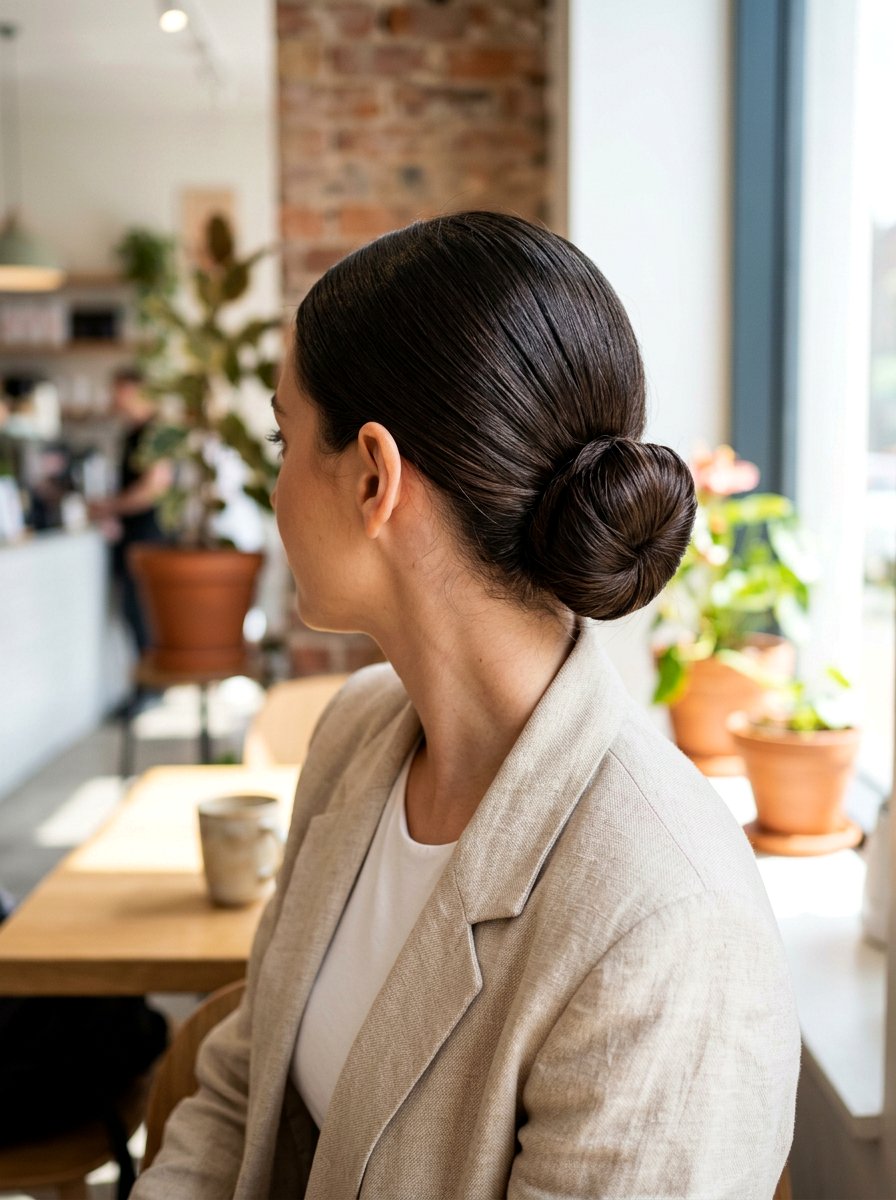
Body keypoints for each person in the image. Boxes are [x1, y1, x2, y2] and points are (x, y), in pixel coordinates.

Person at [133, 212, 800, 1199]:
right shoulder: (356, 735)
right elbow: (242, 1090)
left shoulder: (665, 922)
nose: (273, 492)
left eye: (283, 437)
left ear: (373, 477)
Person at [89, 366, 172, 656]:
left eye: (119, 391)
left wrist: (110, 506)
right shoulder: (131, 433)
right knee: (133, 613)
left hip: (149, 536)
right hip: (134, 536)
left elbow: (154, 488)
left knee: (143, 614)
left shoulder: (155, 432)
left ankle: (149, 677)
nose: (114, 398)